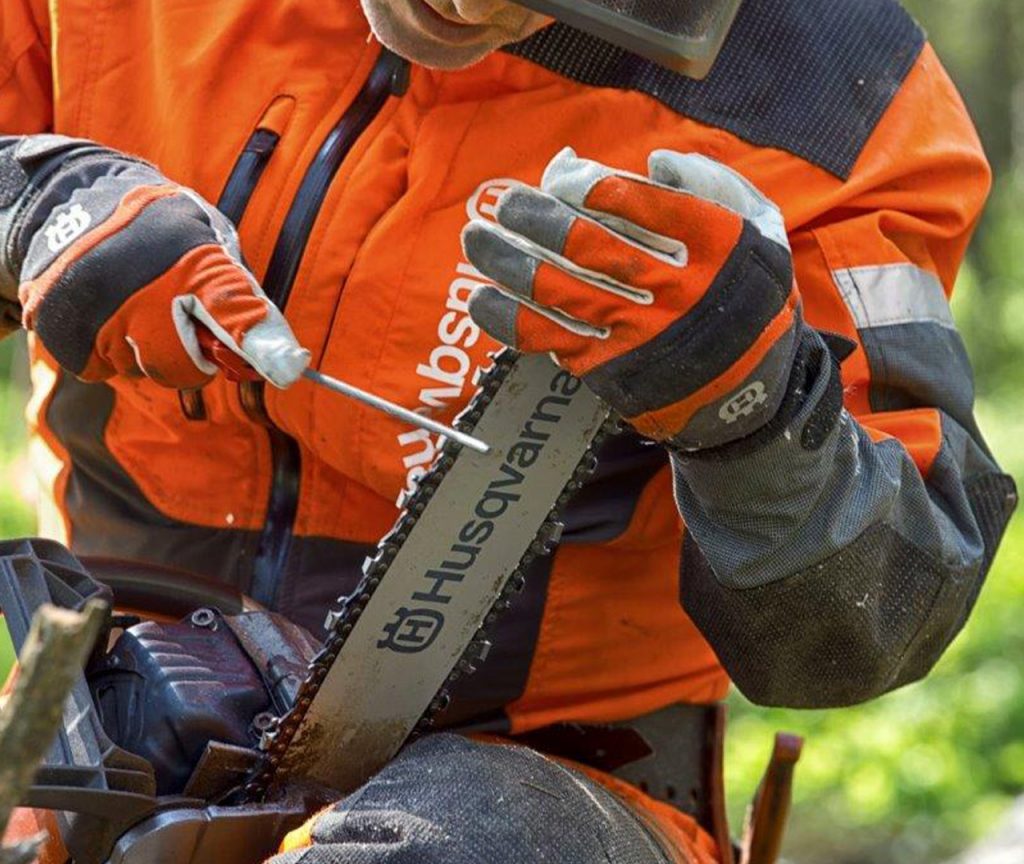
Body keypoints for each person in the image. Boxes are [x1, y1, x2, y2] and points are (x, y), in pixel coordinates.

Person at [0, 0, 1017, 861]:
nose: (468, 7)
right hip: (106, 702)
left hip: (559, 784)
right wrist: (32, 200)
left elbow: (864, 626)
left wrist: (751, 408)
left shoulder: (841, 102)